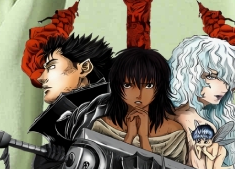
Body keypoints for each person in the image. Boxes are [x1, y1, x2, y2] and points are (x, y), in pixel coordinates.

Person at [60, 46, 189, 162]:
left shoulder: (173, 133)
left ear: (160, 87)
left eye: (148, 85)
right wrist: (129, 137)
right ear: (117, 86)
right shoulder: (102, 127)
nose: (139, 94)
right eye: (128, 85)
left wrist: (144, 138)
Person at [168, 35, 235, 169]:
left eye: (227, 79)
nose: (224, 87)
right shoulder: (189, 120)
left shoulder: (203, 119)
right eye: (211, 76)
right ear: (189, 75)